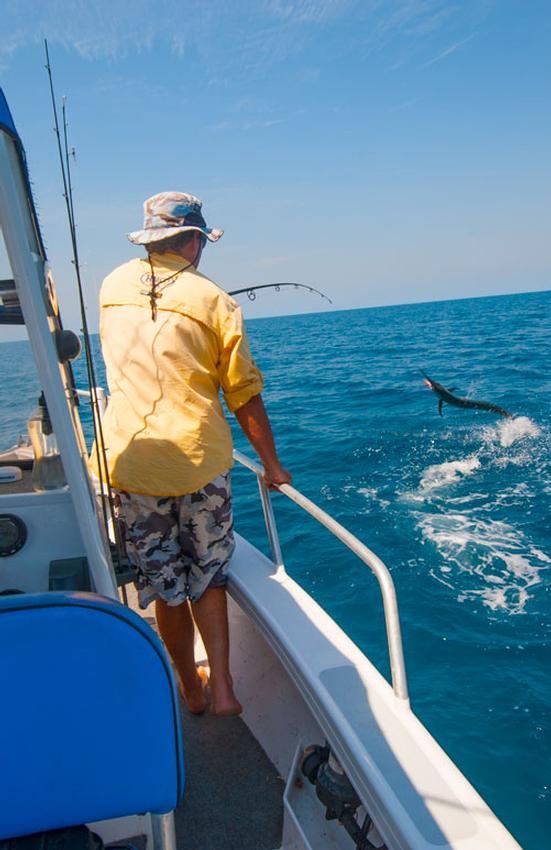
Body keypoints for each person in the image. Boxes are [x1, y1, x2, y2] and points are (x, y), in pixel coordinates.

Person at [96, 191, 291, 716]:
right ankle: (224, 687)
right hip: (200, 463)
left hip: (133, 462)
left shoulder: (111, 285)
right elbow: (244, 393)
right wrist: (272, 467)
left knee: (165, 587)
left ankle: (190, 688)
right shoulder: (216, 302)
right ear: (192, 240)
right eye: (201, 240)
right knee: (209, 575)